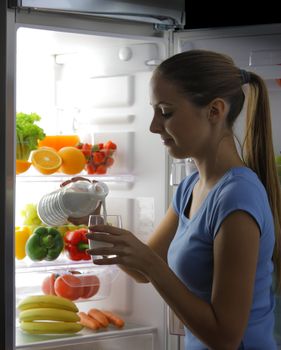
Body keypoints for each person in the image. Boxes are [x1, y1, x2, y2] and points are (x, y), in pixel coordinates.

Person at [86, 50, 281, 350]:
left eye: (166, 112)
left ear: (214, 111)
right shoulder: (191, 187)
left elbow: (226, 337)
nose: (153, 126)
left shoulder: (237, 196)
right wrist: (94, 217)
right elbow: (141, 269)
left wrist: (151, 264)